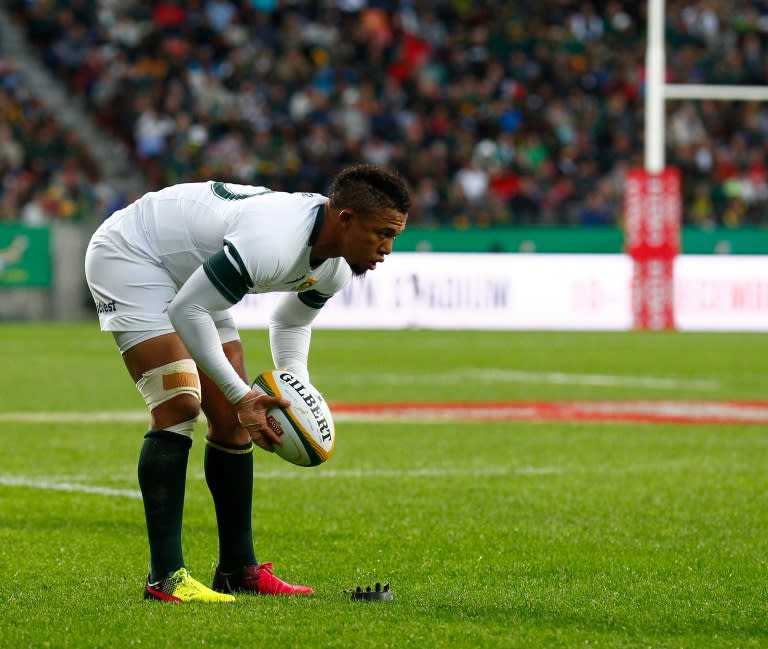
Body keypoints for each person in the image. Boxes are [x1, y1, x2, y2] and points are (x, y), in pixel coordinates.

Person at [84, 164, 411, 603]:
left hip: (193, 270)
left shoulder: (333, 266)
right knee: (179, 404)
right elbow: (186, 312)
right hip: (132, 254)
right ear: (346, 219)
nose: (388, 248)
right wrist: (243, 395)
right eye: (382, 233)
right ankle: (164, 578)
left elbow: (290, 322)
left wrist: (294, 391)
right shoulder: (275, 240)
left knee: (233, 422)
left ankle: (238, 570)